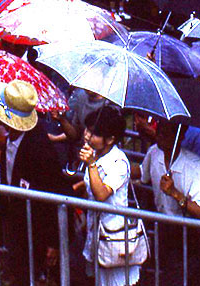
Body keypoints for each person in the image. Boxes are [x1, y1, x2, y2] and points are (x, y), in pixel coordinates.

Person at [0, 80, 69, 286]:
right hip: (16, 220)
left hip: (37, 229)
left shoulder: (41, 150)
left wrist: (53, 243)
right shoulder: (12, 139)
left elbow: (53, 196)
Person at [132, 121, 200, 286]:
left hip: (189, 232)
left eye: (166, 132)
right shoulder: (154, 152)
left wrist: (175, 193)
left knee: (183, 275)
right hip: (163, 225)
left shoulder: (196, 167)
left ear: (180, 136)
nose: (160, 135)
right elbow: (143, 173)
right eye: (159, 130)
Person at [78, 106, 141, 286]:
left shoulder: (119, 162)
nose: (87, 136)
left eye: (94, 133)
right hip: (94, 230)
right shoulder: (96, 154)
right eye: (87, 130)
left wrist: (91, 164)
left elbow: (102, 194)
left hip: (114, 235)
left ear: (111, 139)